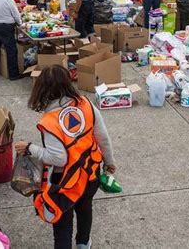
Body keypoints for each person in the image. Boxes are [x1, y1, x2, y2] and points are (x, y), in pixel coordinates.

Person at [14, 64, 115, 249]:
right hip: (90, 174)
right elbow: (103, 138)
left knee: (62, 225)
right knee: (85, 209)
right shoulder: (86, 104)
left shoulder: (50, 121)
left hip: (65, 184)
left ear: (42, 89)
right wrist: (110, 163)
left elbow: (58, 158)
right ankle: (84, 244)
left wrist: (30, 148)